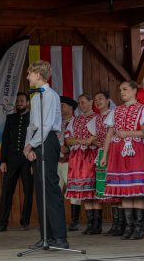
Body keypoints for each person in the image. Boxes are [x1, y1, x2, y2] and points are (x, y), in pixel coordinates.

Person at [24, 60, 68, 249]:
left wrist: (31, 145)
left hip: (48, 140)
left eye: (29, 73)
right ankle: (46, 237)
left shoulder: (50, 95)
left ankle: (60, 237)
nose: (27, 77)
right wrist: (29, 147)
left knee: (51, 188)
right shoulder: (35, 98)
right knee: (40, 191)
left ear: (38, 75)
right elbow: (32, 125)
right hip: (37, 141)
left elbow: (47, 125)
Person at [101, 81, 144, 240]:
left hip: (136, 150)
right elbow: (110, 134)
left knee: (137, 190)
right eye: (120, 90)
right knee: (126, 190)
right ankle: (129, 228)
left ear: (135, 91)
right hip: (117, 152)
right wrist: (104, 155)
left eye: (125, 89)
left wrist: (127, 133)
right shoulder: (115, 111)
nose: (122, 92)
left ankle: (139, 228)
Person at [0, 92, 34, 232]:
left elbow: (36, 140)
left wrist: (34, 163)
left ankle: (25, 221)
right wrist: (3, 160)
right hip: (11, 160)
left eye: (22, 101)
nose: (19, 103)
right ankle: (2, 222)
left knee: (28, 191)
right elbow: (5, 141)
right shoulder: (11, 118)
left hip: (27, 161)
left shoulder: (33, 117)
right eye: (17, 101)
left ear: (28, 103)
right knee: (6, 191)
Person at [87, 92, 123, 236]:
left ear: (108, 100)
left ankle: (120, 225)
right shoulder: (95, 119)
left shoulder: (115, 113)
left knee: (116, 187)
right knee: (108, 189)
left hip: (115, 152)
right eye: (95, 99)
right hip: (102, 153)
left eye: (101, 98)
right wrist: (94, 140)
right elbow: (94, 137)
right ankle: (116, 225)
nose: (98, 101)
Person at [65, 94, 98, 235]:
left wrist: (85, 140)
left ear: (91, 102)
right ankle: (91, 224)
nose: (81, 105)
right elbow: (68, 141)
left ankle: (97, 224)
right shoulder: (74, 120)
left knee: (93, 191)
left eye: (83, 102)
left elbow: (97, 139)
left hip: (92, 157)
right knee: (86, 192)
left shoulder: (98, 118)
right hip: (78, 159)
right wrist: (83, 140)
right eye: (79, 103)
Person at [57, 96, 82, 231]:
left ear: (70, 108)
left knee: (74, 192)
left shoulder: (76, 123)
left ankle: (75, 221)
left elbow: (80, 142)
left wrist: (68, 149)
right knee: (55, 192)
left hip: (70, 161)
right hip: (56, 162)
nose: (59, 108)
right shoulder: (55, 123)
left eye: (62, 105)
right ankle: (56, 221)